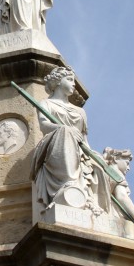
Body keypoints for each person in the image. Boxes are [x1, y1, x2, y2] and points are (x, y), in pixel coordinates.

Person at [31, 67, 101, 212]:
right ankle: (69, 183)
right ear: (57, 81)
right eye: (69, 79)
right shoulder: (46, 104)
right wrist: (65, 129)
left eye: (74, 81)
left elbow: (85, 140)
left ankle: (94, 201)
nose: (74, 84)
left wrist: (95, 157)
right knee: (65, 133)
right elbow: (44, 126)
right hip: (53, 144)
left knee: (100, 163)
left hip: (79, 148)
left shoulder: (80, 111)